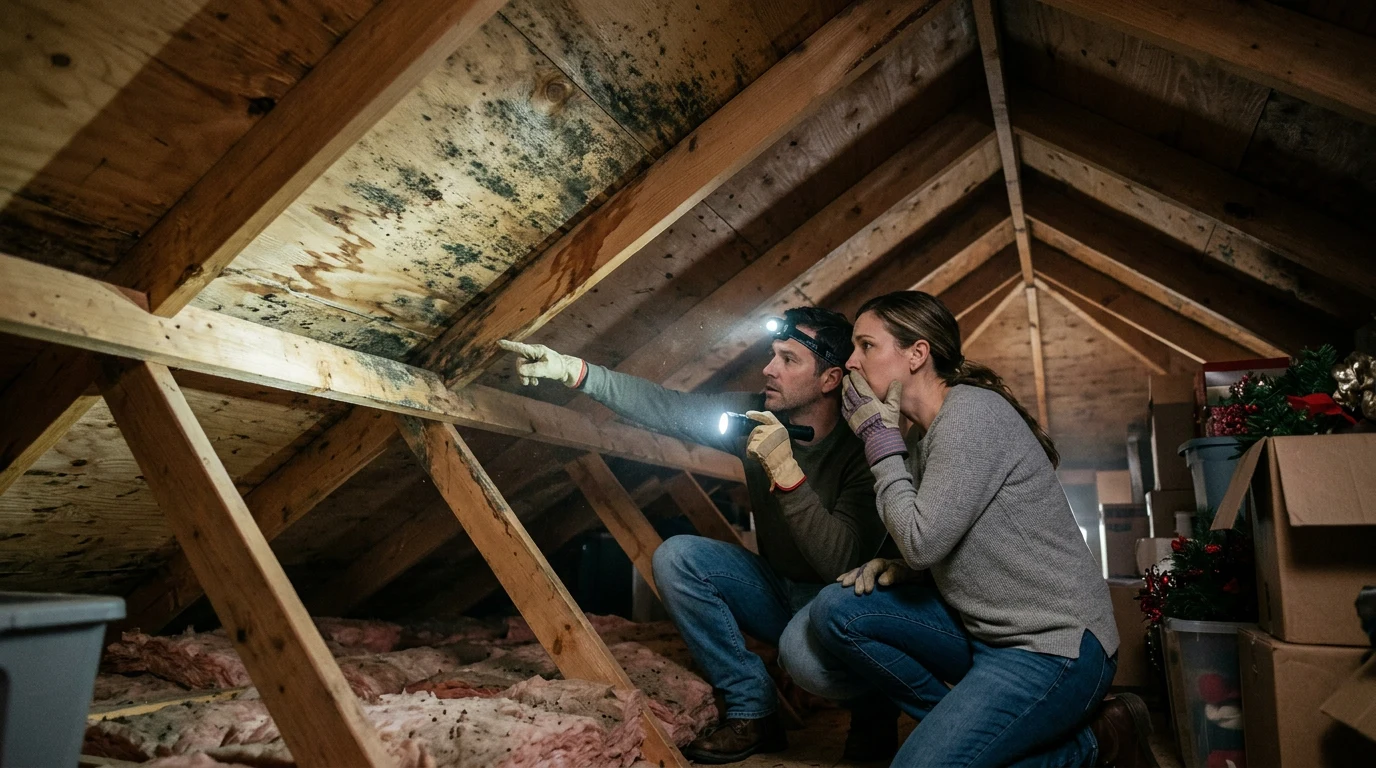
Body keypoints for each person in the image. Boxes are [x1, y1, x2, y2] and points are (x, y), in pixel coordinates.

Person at [497, 307, 895, 763]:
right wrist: (576, 372)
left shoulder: (862, 445)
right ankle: (754, 712)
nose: (769, 368)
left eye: (788, 359)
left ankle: (872, 711)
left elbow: (838, 561)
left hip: (841, 600)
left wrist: (787, 472)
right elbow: (669, 408)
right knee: (679, 557)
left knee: (802, 658)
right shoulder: (759, 417)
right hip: (780, 587)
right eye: (773, 355)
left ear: (830, 380)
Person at [791, 291, 1157, 768]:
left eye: (866, 346)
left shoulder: (969, 416)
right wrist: (905, 568)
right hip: (985, 633)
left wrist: (878, 442)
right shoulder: (922, 437)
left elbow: (923, 542)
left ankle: (1099, 744)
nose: (852, 361)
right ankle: (968, 736)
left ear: (917, 354)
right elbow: (945, 544)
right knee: (836, 610)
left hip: (1055, 649)